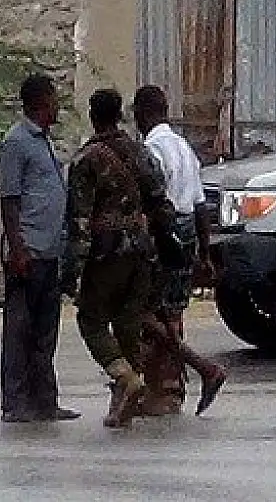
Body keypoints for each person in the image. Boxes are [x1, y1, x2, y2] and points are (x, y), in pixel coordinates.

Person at [64, 89, 172, 429]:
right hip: (142, 249)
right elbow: (160, 202)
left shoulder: (86, 160)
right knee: (128, 323)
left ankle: (125, 378)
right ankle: (125, 400)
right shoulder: (141, 152)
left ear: (93, 116)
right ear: (121, 115)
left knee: (91, 320)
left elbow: (79, 221)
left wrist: (72, 269)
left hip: (106, 252)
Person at [131, 86, 228, 417]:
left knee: (145, 312)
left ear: (142, 114)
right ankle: (172, 387)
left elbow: (154, 202)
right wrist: (204, 251)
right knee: (173, 312)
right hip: (187, 232)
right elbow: (200, 204)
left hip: (165, 233)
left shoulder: (152, 150)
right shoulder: (183, 147)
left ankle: (190, 372)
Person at [0, 74, 80, 424]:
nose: (57, 105)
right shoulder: (17, 142)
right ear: (40, 102)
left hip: (50, 249)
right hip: (28, 250)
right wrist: (18, 249)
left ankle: (45, 401)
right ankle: (15, 402)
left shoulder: (44, 142)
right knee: (20, 330)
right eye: (54, 99)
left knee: (46, 331)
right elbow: (10, 199)